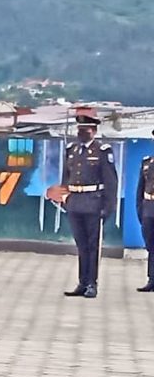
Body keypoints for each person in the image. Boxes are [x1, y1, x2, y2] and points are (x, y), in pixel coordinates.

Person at [62, 114, 118, 299]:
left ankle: (92, 284)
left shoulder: (102, 151)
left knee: (93, 246)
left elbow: (111, 181)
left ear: (93, 131)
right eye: (79, 130)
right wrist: (65, 198)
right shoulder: (72, 149)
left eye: (84, 130)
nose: (80, 133)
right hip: (75, 202)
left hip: (93, 202)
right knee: (81, 246)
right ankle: (82, 282)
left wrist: (108, 207)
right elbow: (66, 177)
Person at [137, 130, 154, 293]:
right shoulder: (147, 162)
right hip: (149, 208)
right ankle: (152, 279)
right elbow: (140, 189)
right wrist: (140, 211)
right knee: (151, 246)